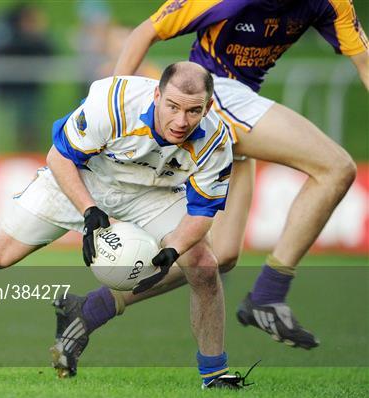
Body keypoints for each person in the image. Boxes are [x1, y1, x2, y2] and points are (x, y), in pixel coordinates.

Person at [0, 62, 257, 389]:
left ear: (207, 106)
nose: (181, 121)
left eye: (193, 111)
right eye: (172, 106)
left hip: (152, 192)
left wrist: (172, 250)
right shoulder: (113, 101)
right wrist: (91, 212)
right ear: (157, 95)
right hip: (81, 178)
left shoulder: (216, 141)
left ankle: (215, 374)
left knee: (205, 266)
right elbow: (59, 157)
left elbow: (201, 213)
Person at [54, 0, 368, 370]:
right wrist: (114, 96)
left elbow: (363, 61)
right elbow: (147, 30)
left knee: (221, 255)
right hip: (209, 96)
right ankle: (269, 294)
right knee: (335, 167)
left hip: (243, 100)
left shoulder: (332, 4)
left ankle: (89, 309)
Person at [0, 4, 54, 151]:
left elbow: (50, 52)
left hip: (29, 88)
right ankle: (12, 149)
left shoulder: (36, 36)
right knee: (9, 121)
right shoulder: (6, 33)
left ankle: (28, 147)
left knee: (29, 119)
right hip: (8, 87)